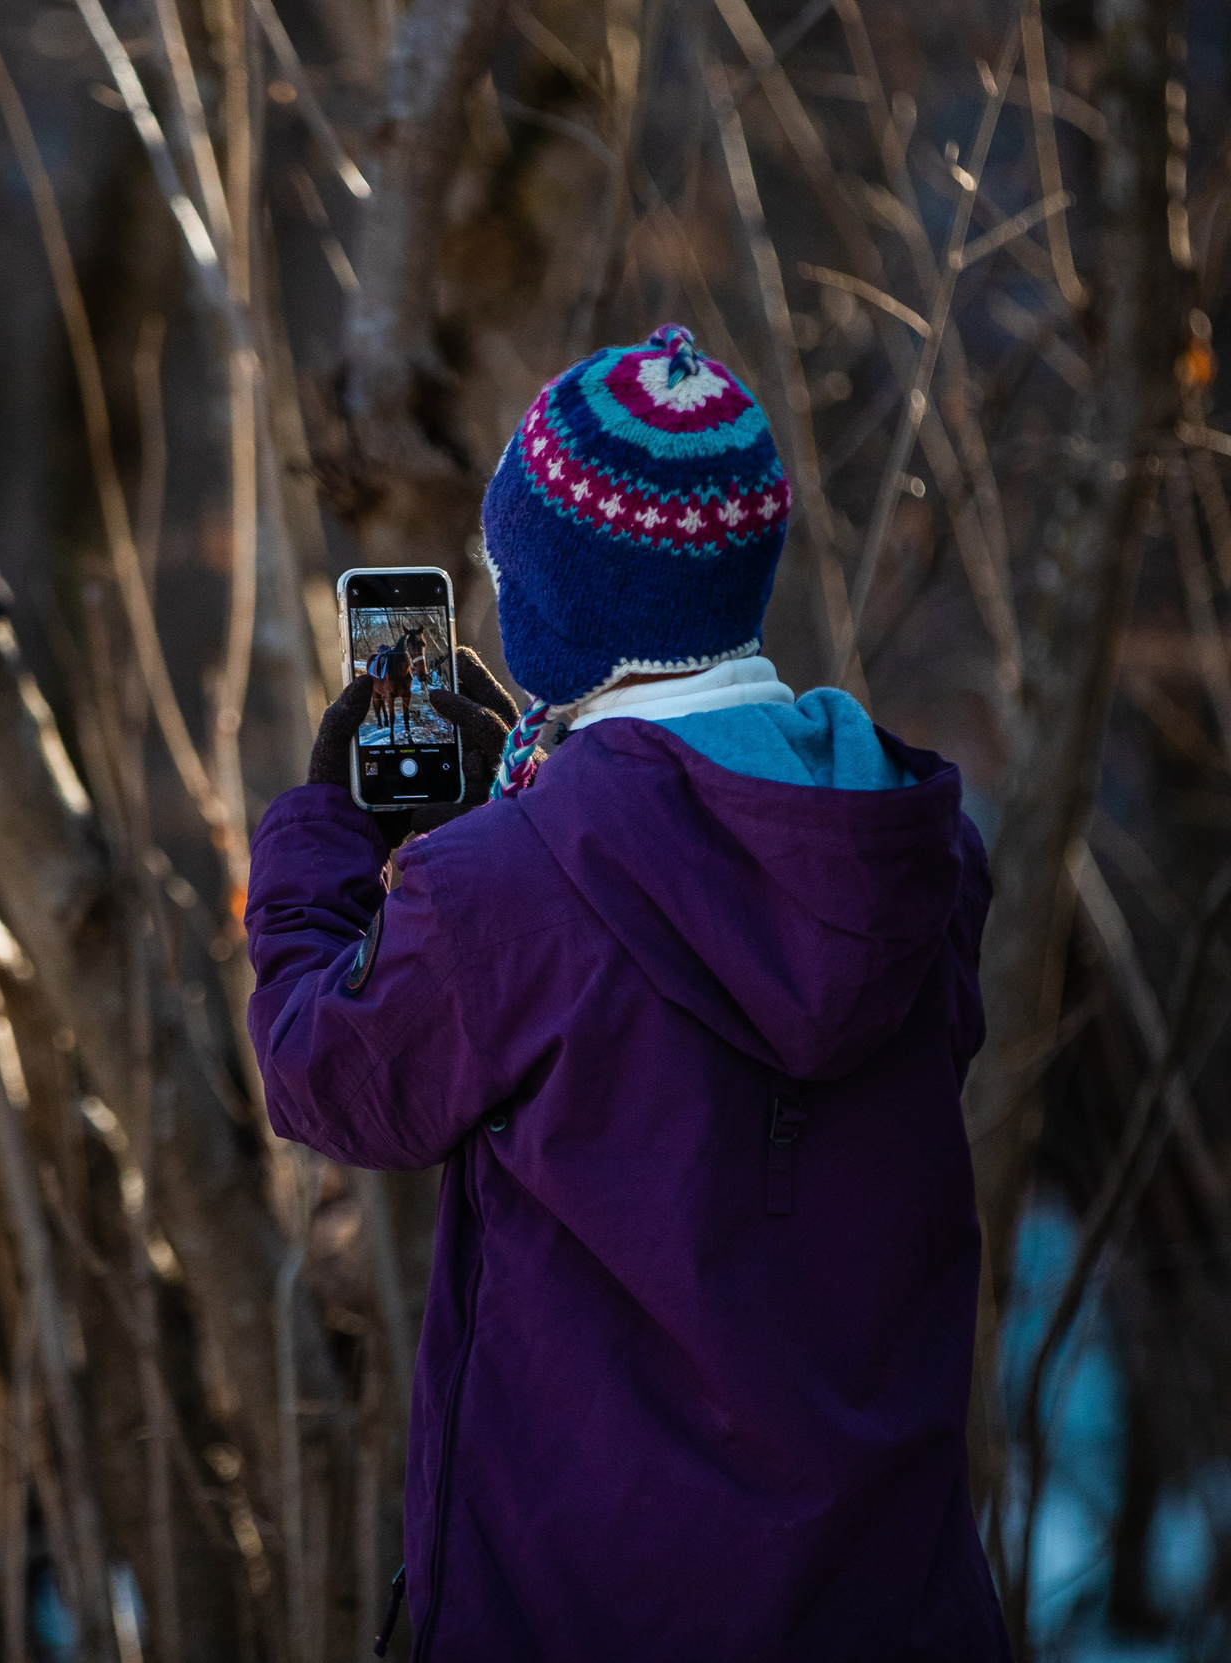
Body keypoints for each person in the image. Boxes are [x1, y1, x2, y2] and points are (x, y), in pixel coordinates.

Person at [245, 325, 1007, 1661]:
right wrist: (526, 809)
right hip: (887, 1602)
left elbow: (327, 1074)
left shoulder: (509, 888)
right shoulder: (911, 846)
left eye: (506, 574)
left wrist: (328, 832)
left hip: (592, 1603)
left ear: (557, 602)